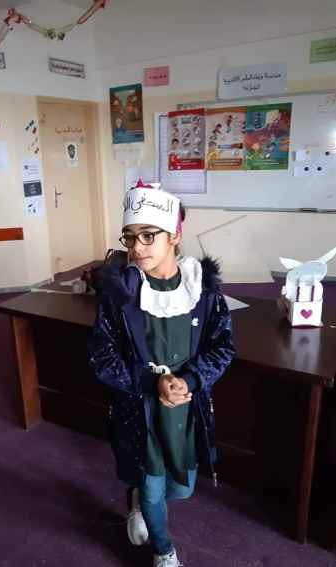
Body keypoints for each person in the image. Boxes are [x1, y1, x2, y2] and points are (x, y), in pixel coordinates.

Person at [89, 180, 234, 567]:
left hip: (185, 406)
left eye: (148, 235)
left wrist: (191, 380)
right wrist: (151, 382)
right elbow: (102, 356)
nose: (137, 247)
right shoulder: (120, 293)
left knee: (180, 488)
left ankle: (139, 494)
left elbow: (222, 347)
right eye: (130, 236)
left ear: (175, 235)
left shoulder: (203, 291)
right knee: (153, 487)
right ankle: (163, 550)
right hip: (141, 407)